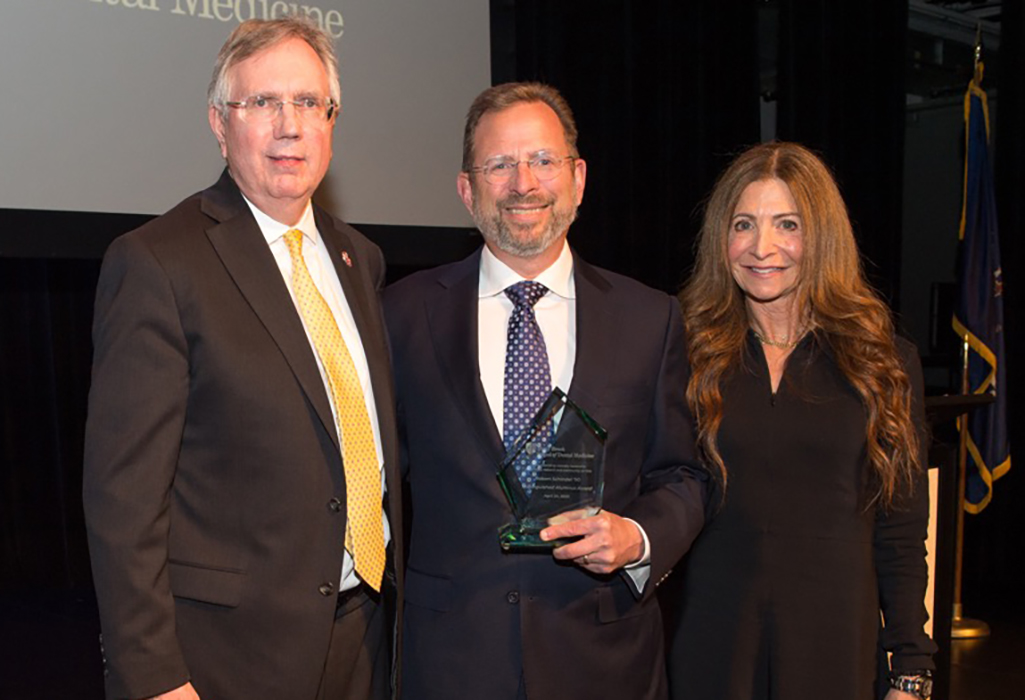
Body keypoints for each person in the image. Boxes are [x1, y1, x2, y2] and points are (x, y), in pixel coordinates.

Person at [83, 17, 402, 700]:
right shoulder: (158, 263)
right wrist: (154, 678)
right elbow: (124, 501)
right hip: (224, 660)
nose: (290, 125)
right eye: (262, 103)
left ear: (331, 121)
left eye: (309, 103)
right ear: (219, 124)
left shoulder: (359, 260)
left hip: (364, 638)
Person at [382, 82, 707, 700]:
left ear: (578, 178)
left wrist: (637, 537)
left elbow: (685, 475)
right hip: (449, 662)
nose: (522, 183)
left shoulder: (650, 318)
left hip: (604, 662)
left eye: (542, 161)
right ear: (466, 189)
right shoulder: (400, 313)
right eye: (499, 164)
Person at [666, 141, 937, 700]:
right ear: (722, 238)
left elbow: (903, 531)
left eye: (786, 224)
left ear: (821, 237)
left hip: (837, 645)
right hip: (710, 644)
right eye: (744, 224)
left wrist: (911, 668)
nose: (762, 247)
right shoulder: (683, 354)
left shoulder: (881, 360)